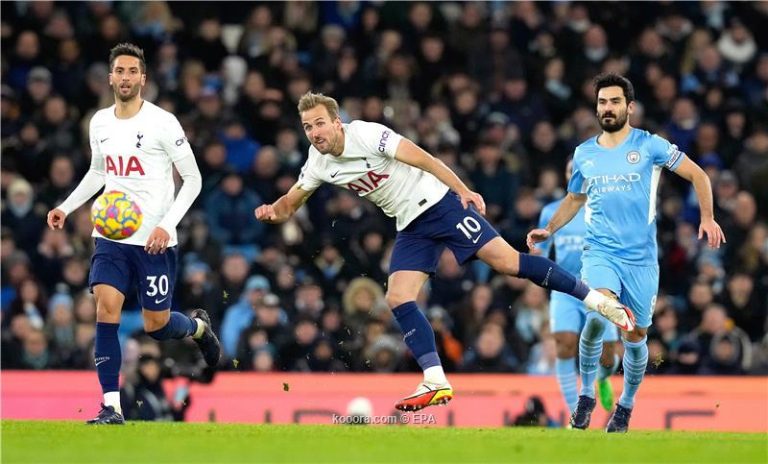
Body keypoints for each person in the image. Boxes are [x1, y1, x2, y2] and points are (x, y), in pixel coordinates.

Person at [255, 92, 635, 412]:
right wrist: (274, 211)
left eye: (320, 123)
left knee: (508, 263)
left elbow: (424, 158)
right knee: (398, 296)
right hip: (410, 224)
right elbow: (292, 202)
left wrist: (464, 190)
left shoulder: (368, 135)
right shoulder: (317, 163)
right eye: (308, 127)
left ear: (337, 122)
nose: (315, 133)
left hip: (439, 204)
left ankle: (599, 302)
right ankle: (435, 380)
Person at [527, 73, 725, 433]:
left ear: (629, 107)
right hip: (600, 252)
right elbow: (574, 198)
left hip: (642, 260)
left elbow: (699, 176)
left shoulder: (650, 146)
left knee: (636, 338)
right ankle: (586, 396)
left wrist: (708, 218)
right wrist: (550, 229)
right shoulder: (584, 153)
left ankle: (625, 407)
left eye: (615, 101)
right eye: (602, 102)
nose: (608, 108)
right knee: (600, 313)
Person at [46, 43, 221, 425]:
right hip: (111, 235)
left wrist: (167, 224)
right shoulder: (99, 123)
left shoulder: (163, 123)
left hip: (155, 241)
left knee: (155, 325)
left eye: (132, 72)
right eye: (119, 71)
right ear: (110, 77)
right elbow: (98, 172)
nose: (125, 78)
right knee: (105, 308)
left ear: (143, 78)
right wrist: (66, 206)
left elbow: (193, 179)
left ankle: (198, 328)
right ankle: (112, 406)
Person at [533, 159, 620, 415]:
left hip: (600, 289)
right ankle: (575, 414)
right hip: (565, 289)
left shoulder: (605, 210)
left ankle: (602, 378)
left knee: (606, 355)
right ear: (567, 175)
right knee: (565, 344)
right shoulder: (551, 211)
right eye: (573, 171)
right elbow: (543, 252)